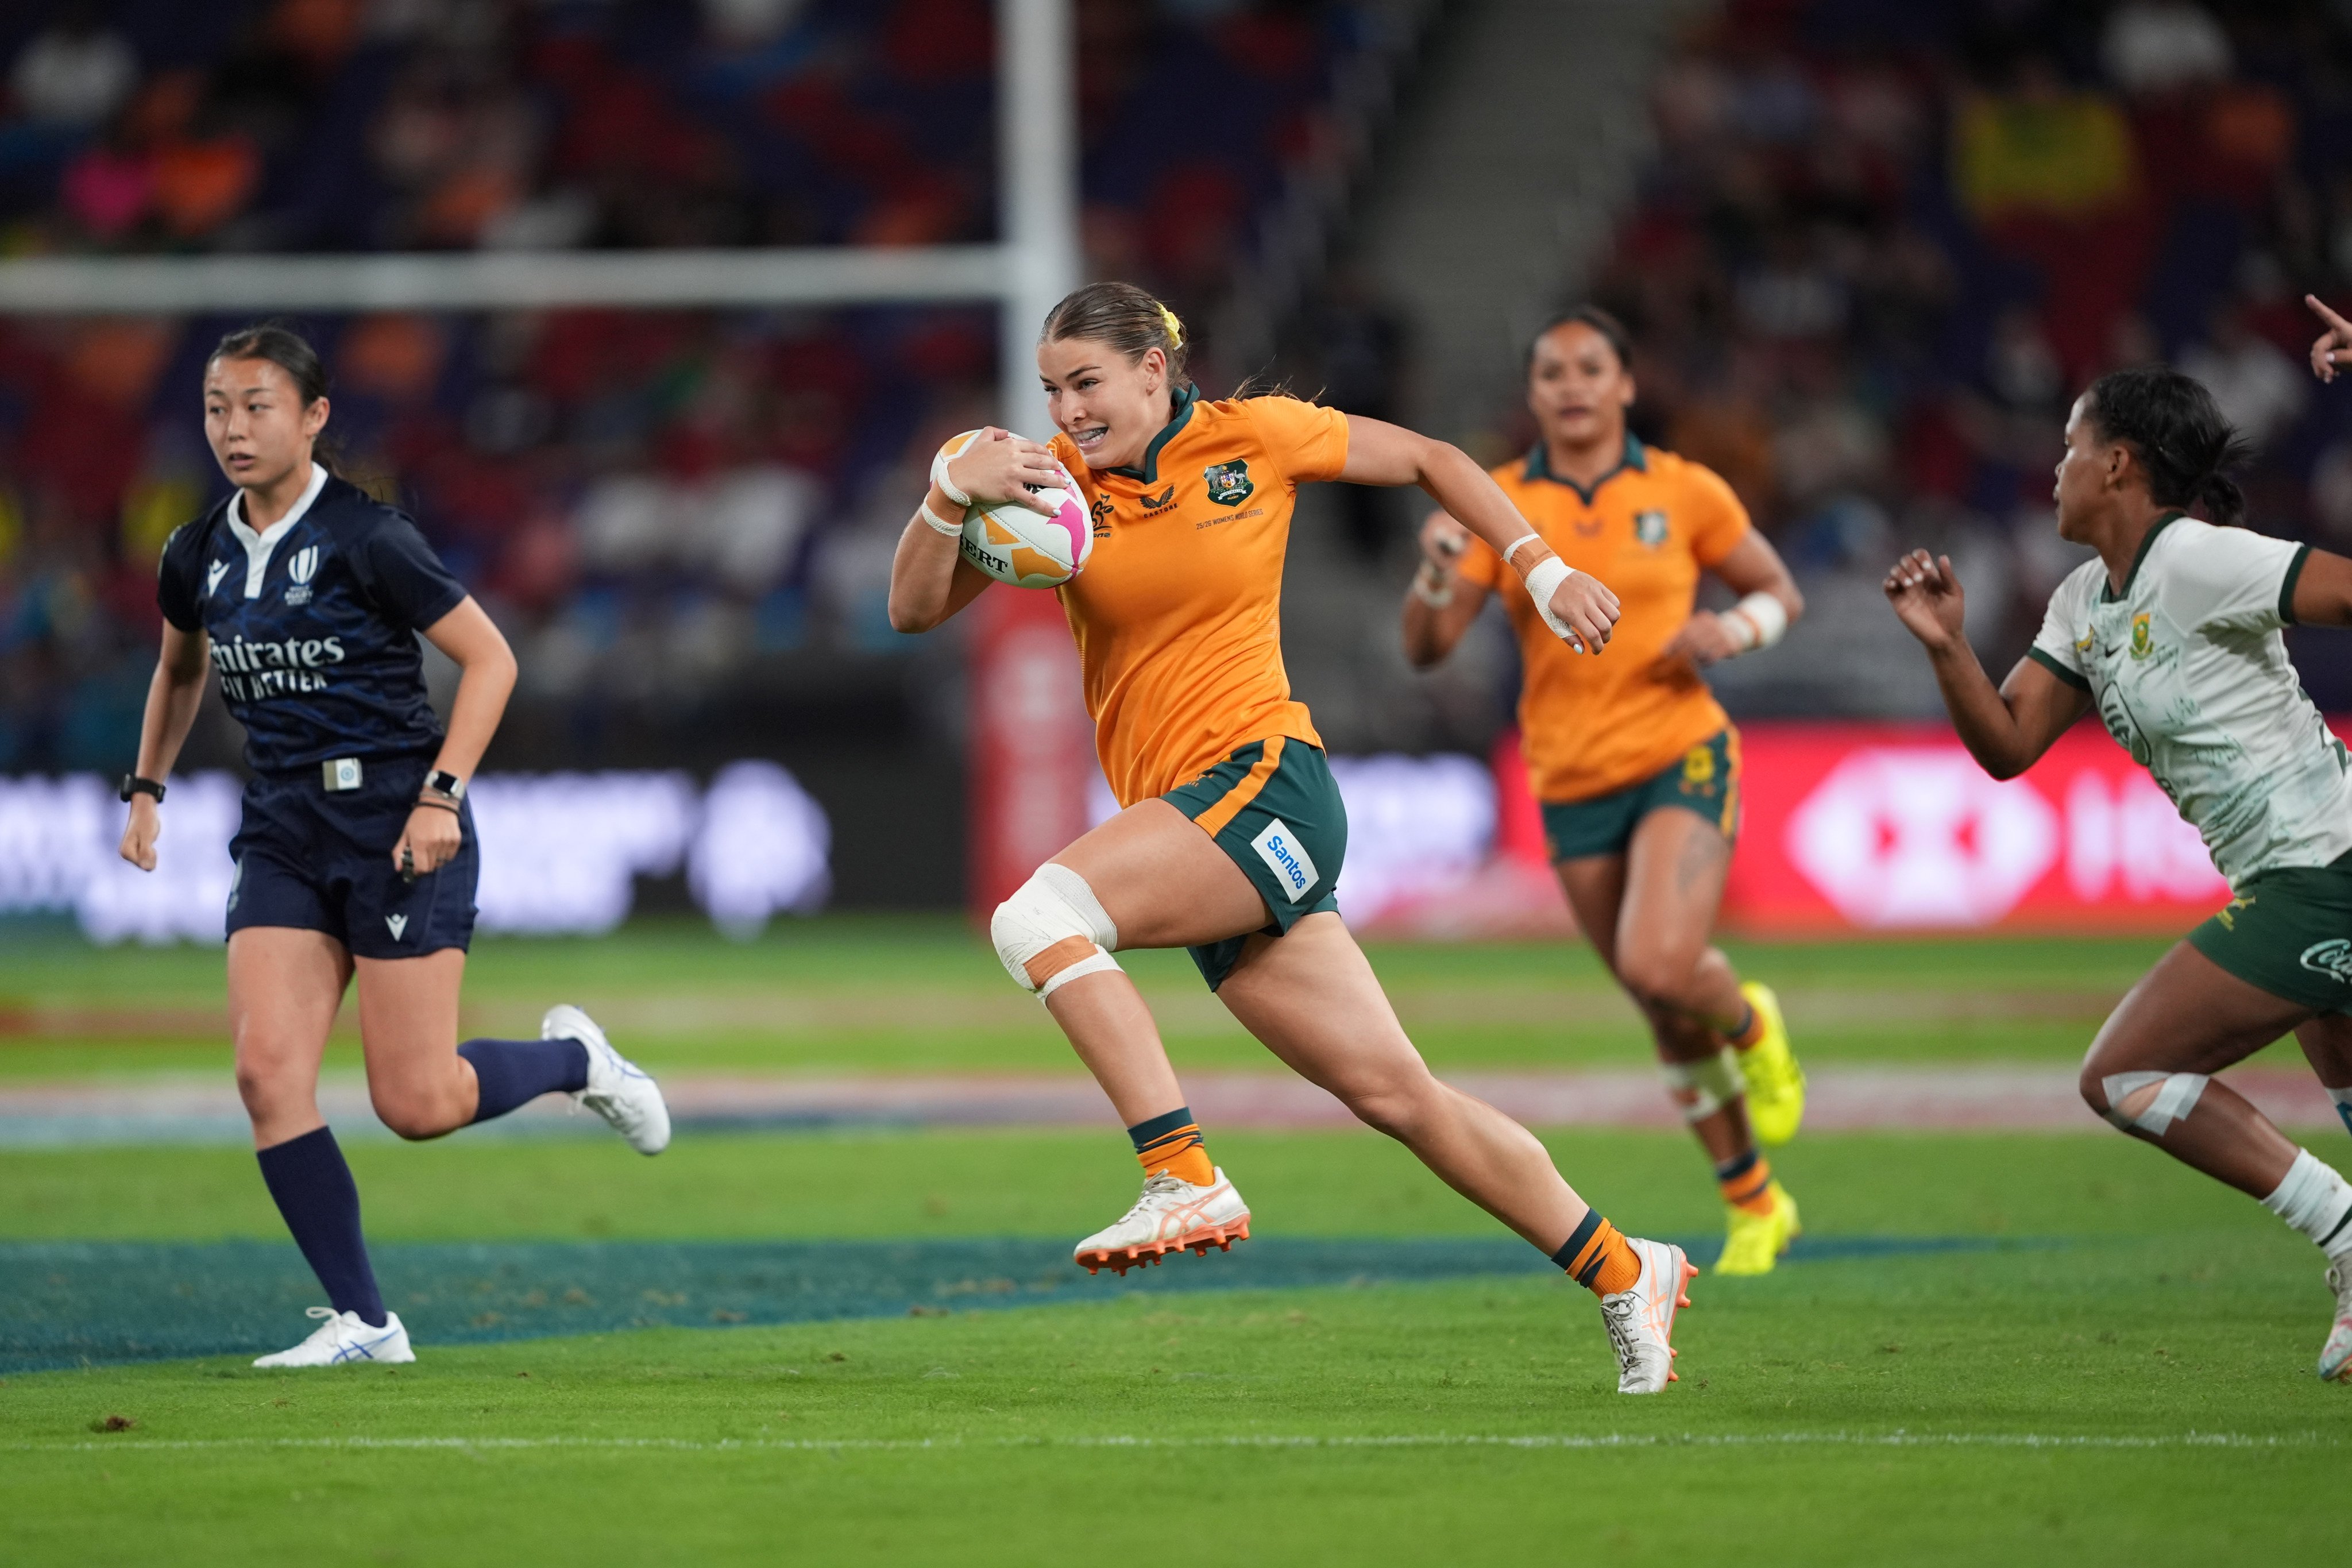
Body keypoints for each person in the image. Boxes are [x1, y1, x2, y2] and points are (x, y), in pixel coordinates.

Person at [889, 281, 1696, 1394]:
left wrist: (1539, 566)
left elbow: (1430, 460)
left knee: (1037, 916)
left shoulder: (1251, 439)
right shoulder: (1047, 486)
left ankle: (1180, 1172)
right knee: (1400, 1098)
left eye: (1085, 382)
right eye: (1049, 389)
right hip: (1192, 825)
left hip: (1266, 782)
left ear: (1151, 371)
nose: (1066, 408)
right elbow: (912, 610)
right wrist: (942, 496)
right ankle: (1626, 1267)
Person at [119, 323, 670, 1369]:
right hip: (282, 824)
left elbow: (493, 660)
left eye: (257, 406)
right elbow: (179, 669)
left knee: (415, 1103)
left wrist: (442, 797)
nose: (233, 428)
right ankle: (366, 1322)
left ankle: (577, 1059)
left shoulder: (369, 537)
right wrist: (147, 786)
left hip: (394, 822)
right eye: (216, 407)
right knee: (264, 1071)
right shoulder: (195, 551)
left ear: (314, 417)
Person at [1883, 302, 2352, 1379]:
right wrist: (1950, 646)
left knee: (2126, 1073)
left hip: (2324, 867)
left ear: (2120, 465)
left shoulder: (2202, 560)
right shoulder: (2085, 602)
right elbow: (2008, 746)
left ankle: (2344, 1232)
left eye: (2069, 446)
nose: (2054, 467)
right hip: (2292, 876)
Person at [1400, 307, 1810, 1276]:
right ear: (1533, 393)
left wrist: (1733, 632)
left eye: (1592, 368)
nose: (1572, 385)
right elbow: (1429, 650)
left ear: (1627, 384)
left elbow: (1778, 590)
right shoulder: (1494, 500)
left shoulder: (1686, 488)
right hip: (1569, 779)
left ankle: (1753, 1022)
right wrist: (1428, 577)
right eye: (1552, 372)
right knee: (1660, 1003)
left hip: (1680, 751)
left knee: (1664, 965)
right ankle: (1757, 1201)